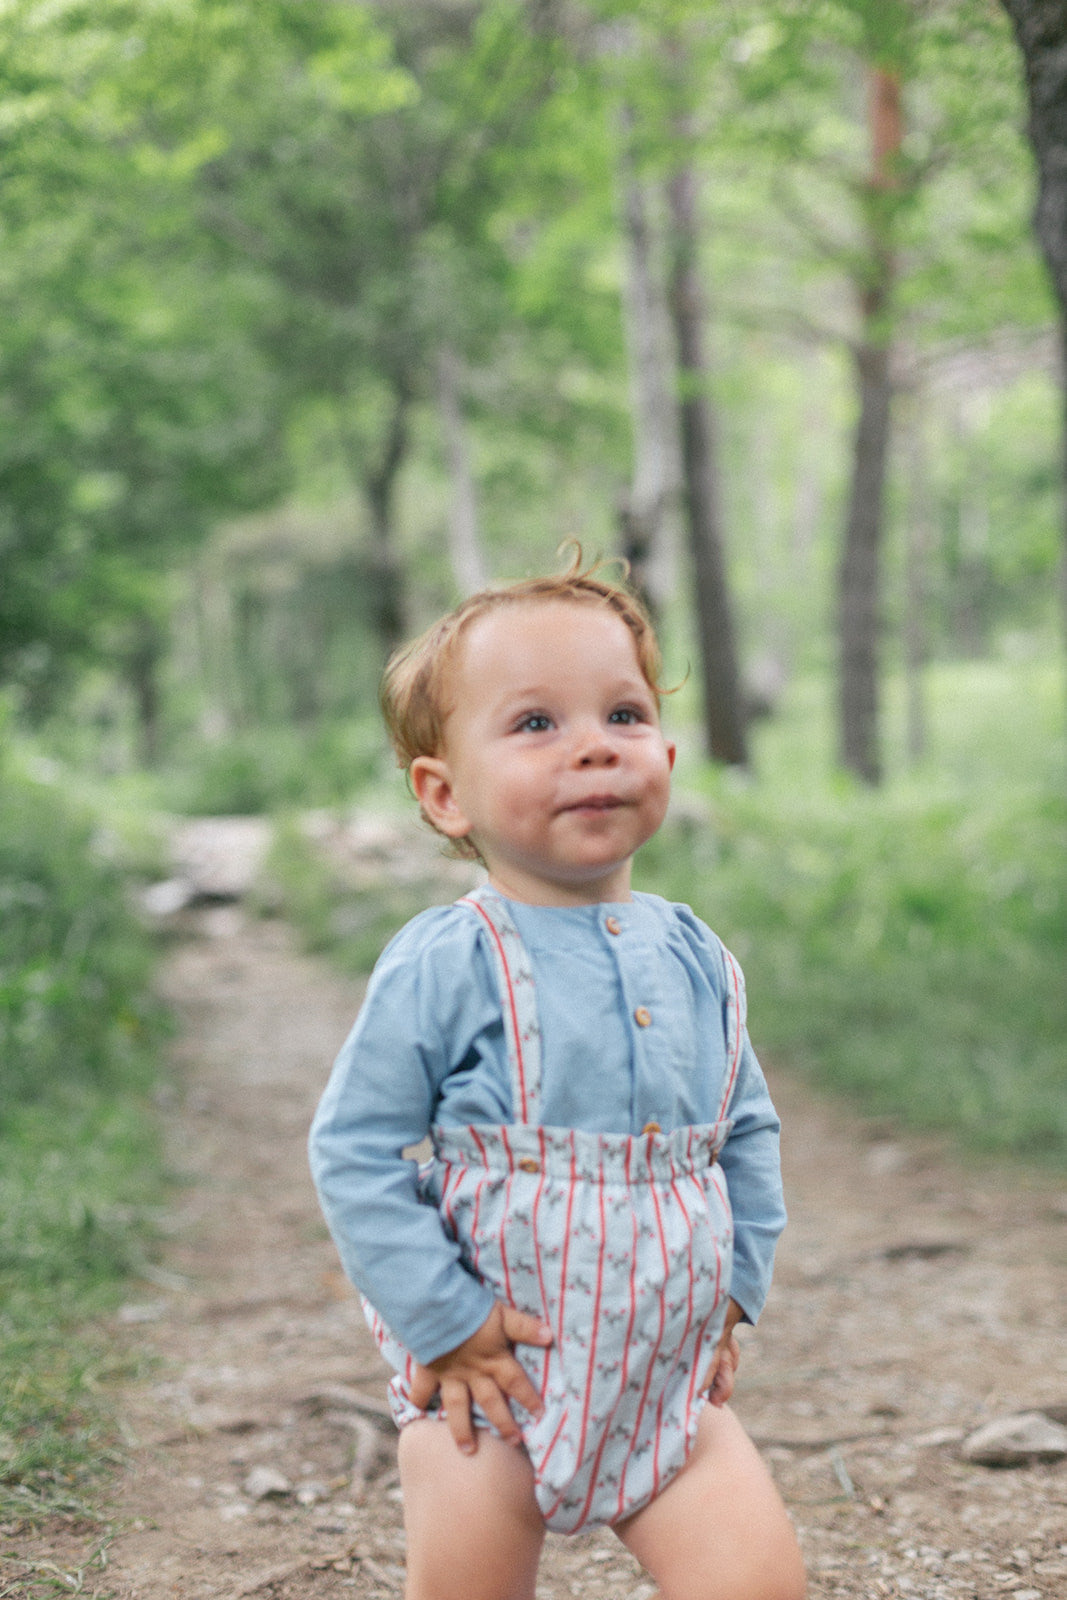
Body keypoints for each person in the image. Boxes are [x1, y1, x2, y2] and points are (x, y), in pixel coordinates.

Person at [309, 556, 806, 1600]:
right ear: (445, 794)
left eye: (621, 714)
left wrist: (732, 1291)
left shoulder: (695, 956)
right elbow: (353, 1148)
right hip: (487, 1387)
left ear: (664, 755)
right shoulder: (449, 958)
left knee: (758, 1584)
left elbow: (744, 1131)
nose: (590, 744)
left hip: (666, 1392)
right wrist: (442, 1321)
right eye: (534, 724)